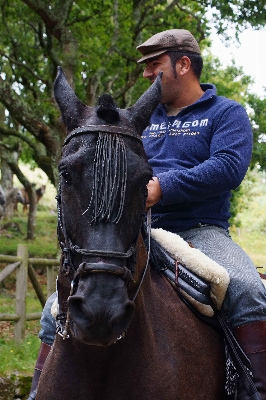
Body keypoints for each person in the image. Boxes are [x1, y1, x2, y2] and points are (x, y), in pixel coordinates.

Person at [27, 29, 266, 400]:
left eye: (154, 65)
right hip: (137, 232)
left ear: (183, 64)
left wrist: (163, 187)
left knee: (248, 289)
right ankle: (38, 390)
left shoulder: (226, 113)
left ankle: (255, 390)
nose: (145, 76)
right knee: (53, 307)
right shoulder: (141, 119)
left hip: (201, 232)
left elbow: (229, 167)